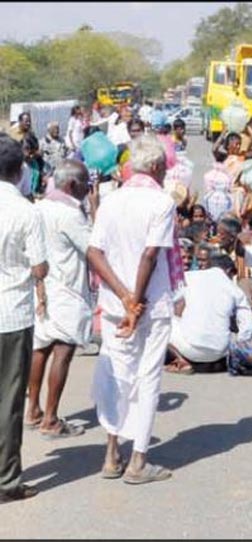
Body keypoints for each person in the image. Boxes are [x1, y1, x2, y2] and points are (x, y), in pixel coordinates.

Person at [86, 134, 180, 485]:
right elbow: (151, 255)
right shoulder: (161, 203)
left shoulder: (110, 201)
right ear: (156, 167)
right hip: (149, 305)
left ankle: (111, 454)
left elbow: (94, 253)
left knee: (117, 375)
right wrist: (136, 302)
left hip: (115, 303)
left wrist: (124, 297)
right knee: (147, 377)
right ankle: (138, 461)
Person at [26, 160, 94, 439]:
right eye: (86, 185)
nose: (88, 190)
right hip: (67, 290)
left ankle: (33, 410)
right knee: (63, 352)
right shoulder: (70, 215)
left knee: (40, 349)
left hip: (42, 288)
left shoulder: (39, 208)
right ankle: (51, 418)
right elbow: (93, 248)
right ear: (72, 185)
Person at [0, 134, 48, 502]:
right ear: (20, 171)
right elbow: (39, 267)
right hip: (12, 316)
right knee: (9, 401)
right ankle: (6, 480)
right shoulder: (26, 211)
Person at [167, 253, 252, 374]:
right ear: (228, 271)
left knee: (165, 321)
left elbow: (169, 300)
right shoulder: (234, 289)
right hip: (221, 352)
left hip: (189, 350)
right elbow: (248, 324)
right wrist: (241, 347)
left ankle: (181, 361)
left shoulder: (189, 277)